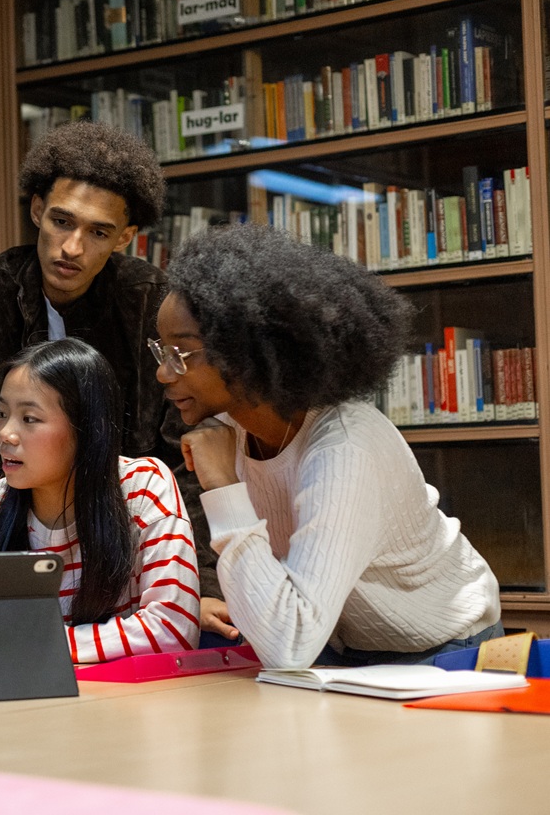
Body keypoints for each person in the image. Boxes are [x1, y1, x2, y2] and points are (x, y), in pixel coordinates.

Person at [0, 120, 228, 636]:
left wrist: (201, 583)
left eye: (97, 232)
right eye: (61, 221)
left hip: (126, 548)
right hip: (5, 535)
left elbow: (182, 446)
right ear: (35, 210)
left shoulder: (150, 301)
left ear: (125, 236)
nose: (72, 247)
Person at [159, 225, 503, 669]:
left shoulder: (344, 448)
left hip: (444, 652)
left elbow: (289, 645)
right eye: (160, 352)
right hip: (339, 645)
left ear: (248, 351)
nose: (163, 374)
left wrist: (224, 485)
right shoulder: (230, 430)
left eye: (180, 354)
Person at [0, 338, 200, 662]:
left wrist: (37, 644)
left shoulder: (143, 487)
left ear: (86, 427)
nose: (5, 434)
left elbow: (173, 630)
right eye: (2, 413)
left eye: (29, 418)